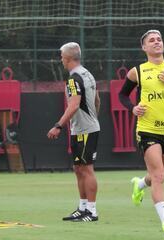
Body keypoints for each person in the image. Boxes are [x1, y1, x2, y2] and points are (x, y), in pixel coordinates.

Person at [118, 29, 164, 238]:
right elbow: (122, 95)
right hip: (147, 130)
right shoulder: (138, 71)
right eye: (151, 40)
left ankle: (139, 184)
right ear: (144, 47)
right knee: (158, 175)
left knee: (159, 176)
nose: (156, 42)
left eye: (159, 39)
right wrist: (132, 108)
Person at [47, 42, 101, 222]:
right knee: (78, 168)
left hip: (84, 130)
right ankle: (82, 207)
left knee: (86, 169)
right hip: (84, 128)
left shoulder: (73, 79)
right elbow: (97, 100)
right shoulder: (88, 75)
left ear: (68, 58)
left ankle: (92, 211)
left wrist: (58, 125)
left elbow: (74, 105)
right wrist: (94, 119)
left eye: (62, 56)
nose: (61, 60)